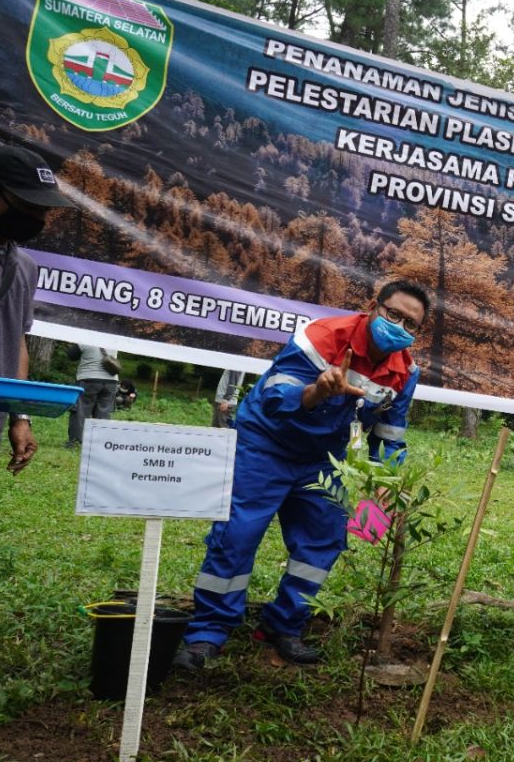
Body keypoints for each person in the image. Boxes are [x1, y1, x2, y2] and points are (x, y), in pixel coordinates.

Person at [174, 280, 429, 670]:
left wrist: (385, 489)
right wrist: (317, 392)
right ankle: (208, 632)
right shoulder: (324, 336)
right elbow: (277, 396)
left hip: (325, 459)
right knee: (236, 536)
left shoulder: (404, 371)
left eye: (410, 324)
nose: (399, 326)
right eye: (393, 314)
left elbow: (389, 435)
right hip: (264, 446)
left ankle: (283, 626)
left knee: (324, 541)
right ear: (373, 307)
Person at [0, 144, 74, 473]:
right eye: (29, 204)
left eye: (44, 209)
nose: (39, 217)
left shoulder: (24, 267)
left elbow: (17, 341)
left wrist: (20, 415)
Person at [65, 344, 119, 448]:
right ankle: (101, 444)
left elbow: (71, 356)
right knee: (103, 413)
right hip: (111, 381)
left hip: (88, 379)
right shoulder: (113, 340)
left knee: (80, 411)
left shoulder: (86, 339)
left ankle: (76, 442)